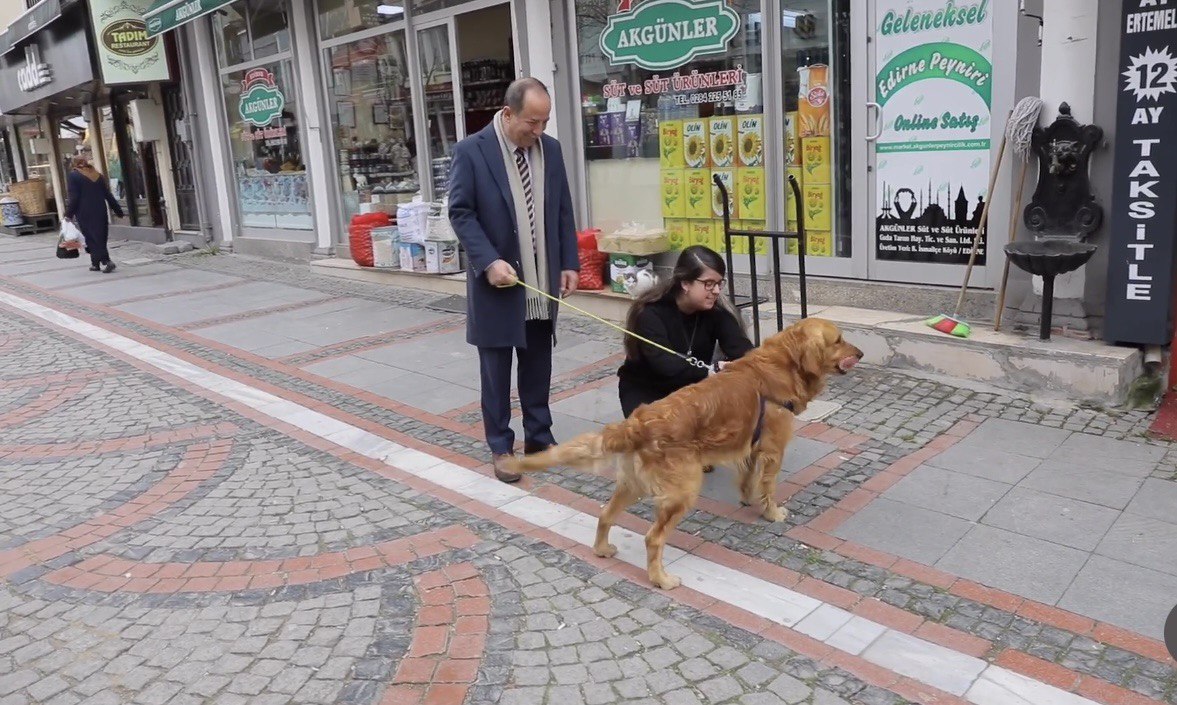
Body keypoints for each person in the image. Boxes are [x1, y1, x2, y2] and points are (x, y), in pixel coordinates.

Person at [448, 77, 580, 484]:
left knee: (539, 363)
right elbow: (461, 212)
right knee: (496, 369)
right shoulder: (472, 151)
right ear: (508, 114)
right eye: (531, 123)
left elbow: (561, 210)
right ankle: (501, 447)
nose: (538, 131)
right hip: (499, 282)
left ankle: (539, 437)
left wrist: (569, 261)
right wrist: (487, 261)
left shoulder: (551, 150)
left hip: (540, 281)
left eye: (544, 122)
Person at [618, 245, 754, 471]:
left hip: (691, 391)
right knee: (655, 449)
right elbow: (665, 365)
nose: (716, 291)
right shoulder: (650, 313)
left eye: (720, 284)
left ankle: (694, 443)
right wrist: (711, 371)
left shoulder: (715, 312)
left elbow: (742, 349)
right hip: (648, 390)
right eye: (708, 284)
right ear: (686, 283)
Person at [65, 155, 124, 273]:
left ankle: (107, 261)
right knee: (100, 237)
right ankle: (95, 263)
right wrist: (118, 210)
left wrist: (68, 214)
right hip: (100, 210)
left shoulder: (74, 176)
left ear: (75, 164)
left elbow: (74, 197)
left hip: (84, 212)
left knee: (92, 238)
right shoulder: (98, 175)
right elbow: (108, 194)